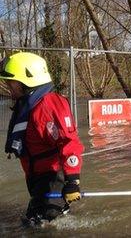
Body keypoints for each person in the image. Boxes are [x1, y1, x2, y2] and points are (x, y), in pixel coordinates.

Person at [0, 52, 83, 225]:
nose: (8, 85)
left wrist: (72, 181)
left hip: (52, 176)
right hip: (36, 175)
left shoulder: (47, 106)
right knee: (35, 222)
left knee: (43, 225)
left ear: (27, 80)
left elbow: (69, 143)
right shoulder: (28, 104)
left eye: (11, 82)